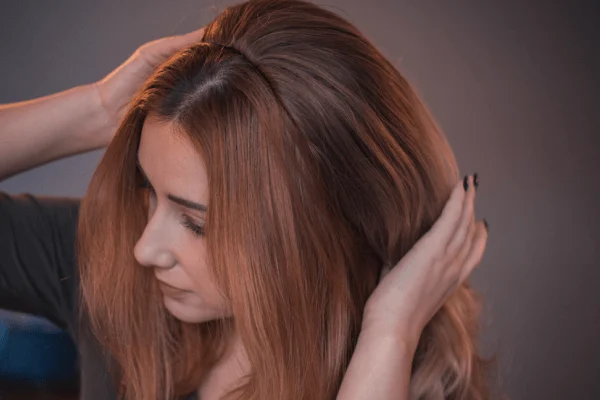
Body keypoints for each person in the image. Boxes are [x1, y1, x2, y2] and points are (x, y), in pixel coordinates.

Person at [0, 0, 491, 399]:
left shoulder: (400, 375)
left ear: (317, 228)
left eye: (195, 223)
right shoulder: (108, 264)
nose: (144, 249)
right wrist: (97, 111)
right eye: (148, 190)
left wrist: (388, 338)